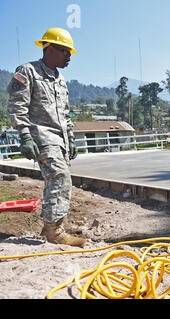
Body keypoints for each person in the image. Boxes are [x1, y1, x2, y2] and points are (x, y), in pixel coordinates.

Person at [7, 27, 85, 247]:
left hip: (59, 140)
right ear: (49, 49)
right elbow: (16, 106)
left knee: (61, 181)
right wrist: (24, 135)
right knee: (59, 178)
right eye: (64, 51)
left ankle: (52, 225)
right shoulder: (28, 71)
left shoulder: (61, 79)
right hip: (41, 137)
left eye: (70, 52)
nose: (69, 56)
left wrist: (70, 138)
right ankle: (54, 231)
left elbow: (65, 113)